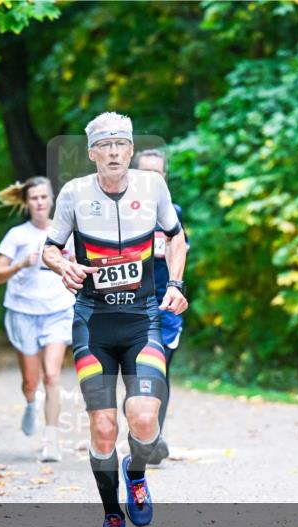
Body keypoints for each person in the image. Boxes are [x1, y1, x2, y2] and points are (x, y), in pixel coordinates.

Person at [42, 112, 188, 527]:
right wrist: (64, 264)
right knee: (103, 429)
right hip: (93, 323)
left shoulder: (153, 187)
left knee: (144, 421)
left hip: (143, 319)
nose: (113, 152)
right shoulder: (73, 194)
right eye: (104, 146)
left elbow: (176, 237)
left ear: (129, 150)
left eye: (120, 144)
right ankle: (111, 515)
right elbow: (49, 248)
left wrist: (177, 284)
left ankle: (137, 474)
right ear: (92, 154)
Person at [0, 176, 75, 462]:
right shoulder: (17, 236)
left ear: (52, 199)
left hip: (57, 310)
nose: (40, 202)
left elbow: (78, 265)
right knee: (31, 381)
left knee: (52, 374)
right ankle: (30, 402)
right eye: (34, 198)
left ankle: (51, 441)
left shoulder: (66, 232)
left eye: (44, 197)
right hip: (23, 312)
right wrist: (20, 264)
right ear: (27, 203)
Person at [133, 149, 189, 464]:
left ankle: (153, 439)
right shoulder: (122, 213)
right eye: (146, 172)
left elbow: (179, 252)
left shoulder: (174, 213)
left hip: (165, 305)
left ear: (164, 178)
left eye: (158, 172)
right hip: (132, 305)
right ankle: (146, 435)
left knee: (160, 373)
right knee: (138, 374)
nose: (152, 178)